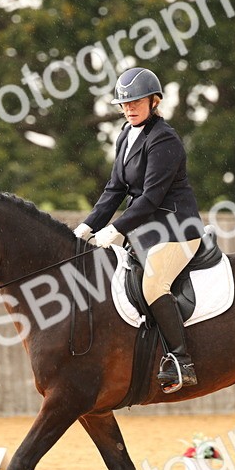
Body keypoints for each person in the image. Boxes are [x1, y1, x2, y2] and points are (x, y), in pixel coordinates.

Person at [73, 66, 206, 393]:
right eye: (124, 103)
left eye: (136, 102)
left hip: (178, 229)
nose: (129, 108)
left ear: (154, 101)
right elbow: (114, 189)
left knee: (153, 285)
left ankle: (181, 360)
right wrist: (87, 226)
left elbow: (150, 198)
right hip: (146, 231)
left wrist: (116, 229)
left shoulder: (165, 139)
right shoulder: (125, 135)